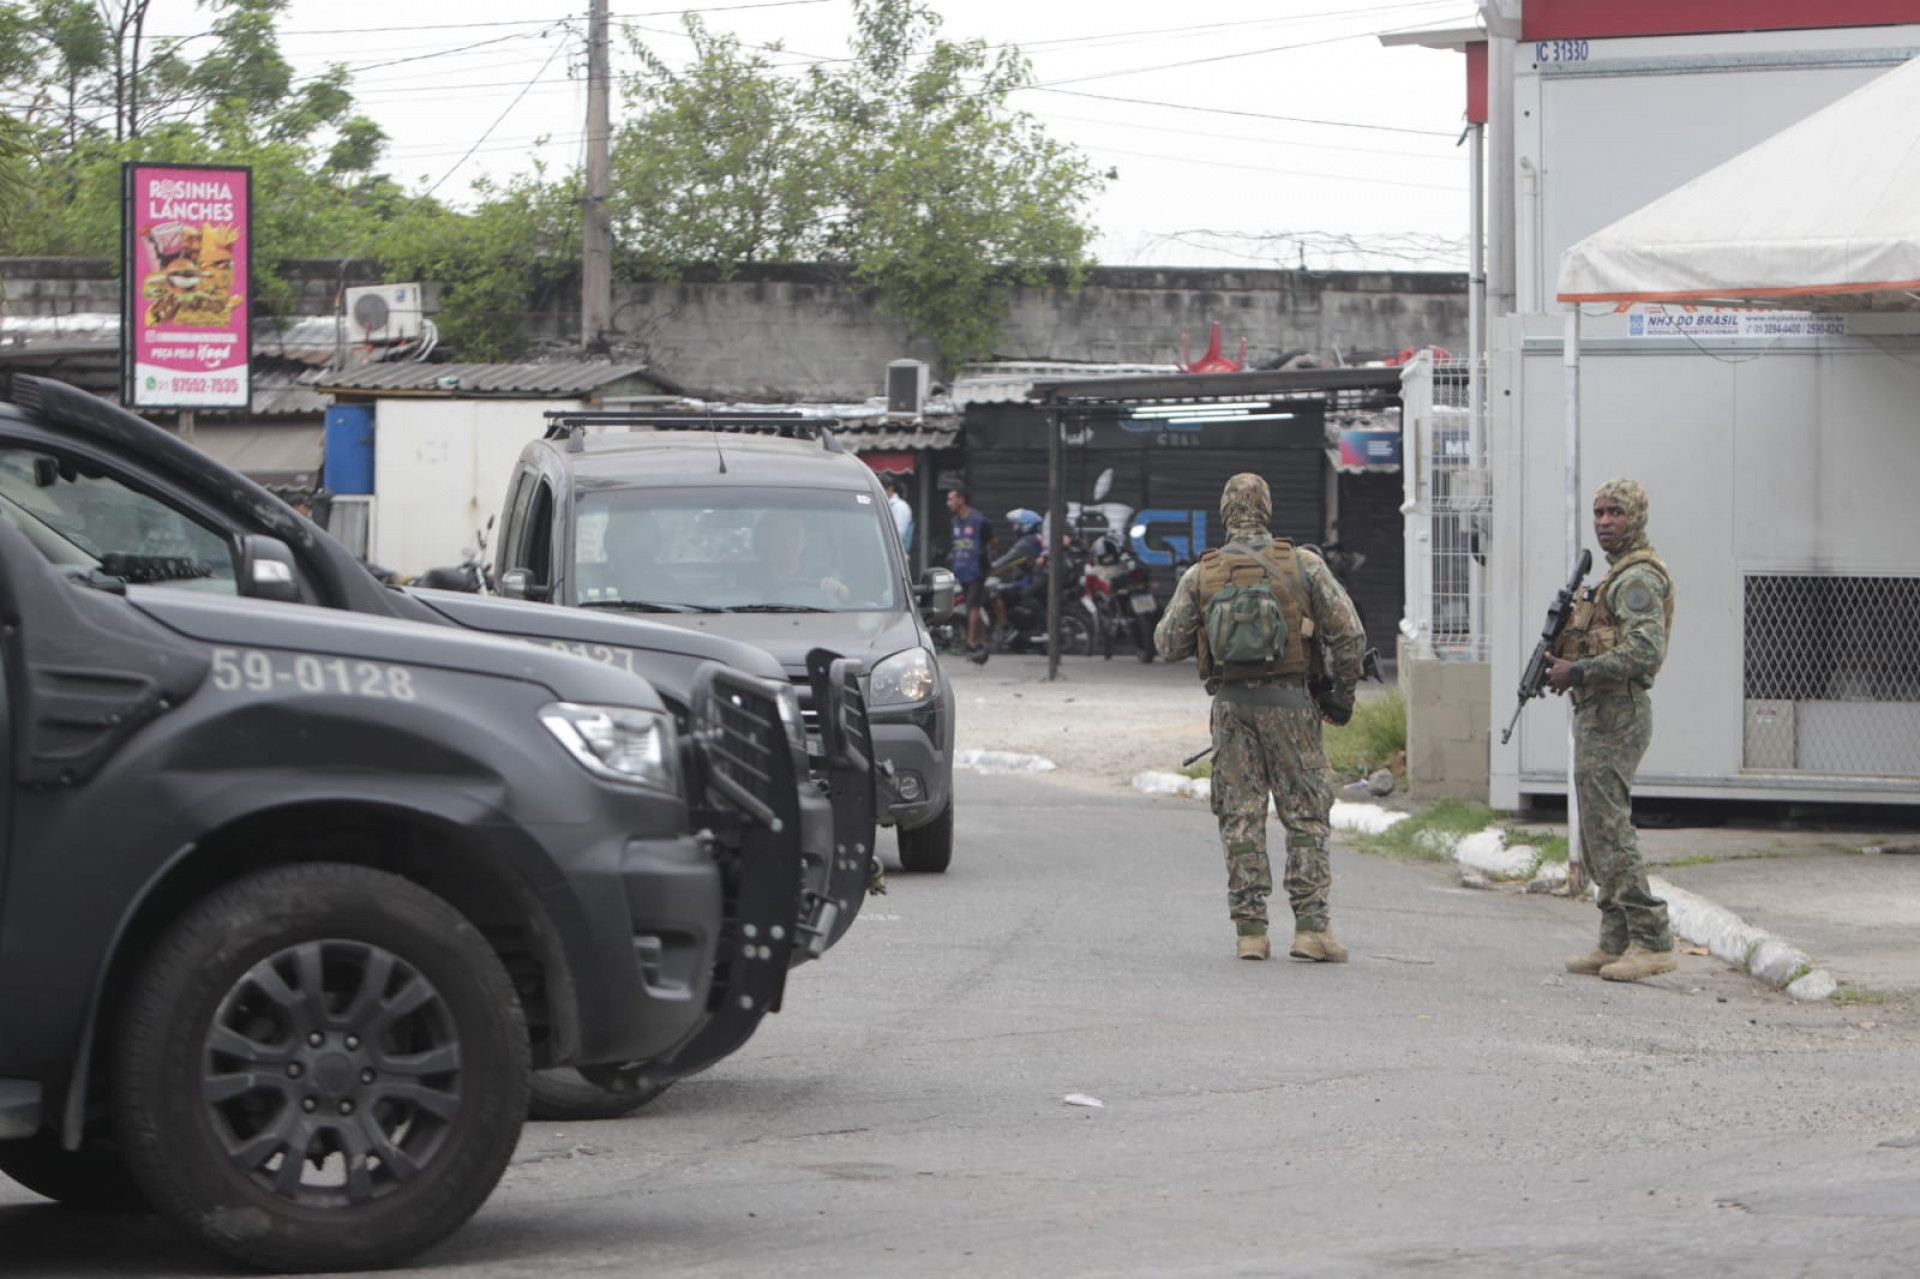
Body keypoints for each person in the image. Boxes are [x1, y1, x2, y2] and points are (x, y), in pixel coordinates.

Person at [1155, 473, 1365, 963]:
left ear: (1225, 512)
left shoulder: (1202, 573)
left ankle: (1250, 931)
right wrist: (1342, 698)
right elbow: (1349, 636)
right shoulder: (1304, 565)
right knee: (1306, 815)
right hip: (1292, 705)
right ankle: (1312, 929)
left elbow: (1167, 645)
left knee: (1241, 815)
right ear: (1266, 510)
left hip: (1231, 709)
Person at [1544, 478, 1677, 983]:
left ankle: (1652, 938)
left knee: (1610, 830)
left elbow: (1645, 652)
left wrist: (1577, 672)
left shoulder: (1638, 579)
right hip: (1597, 710)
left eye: (1614, 513)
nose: (1603, 522)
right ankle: (1615, 938)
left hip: (1618, 713)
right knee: (1596, 832)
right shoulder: (1615, 577)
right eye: (1598, 513)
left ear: (1635, 517)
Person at [752, 509, 852, 606]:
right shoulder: (748, 578)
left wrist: (841, 591)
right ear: (765, 540)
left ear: (805, 542)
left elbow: (852, 599)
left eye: (793, 534)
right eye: (779, 534)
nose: (786, 541)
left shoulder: (823, 575)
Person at [946, 487, 992, 660]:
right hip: (962, 569)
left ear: (961, 499)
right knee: (971, 604)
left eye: (951, 499)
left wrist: (986, 560)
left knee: (973, 606)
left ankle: (970, 642)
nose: (948, 503)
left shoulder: (979, 521)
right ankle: (979, 639)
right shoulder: (955, 522)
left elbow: (991, 542)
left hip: (977, 569)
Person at [987, 508, 1045, 634]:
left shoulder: (1025, 544)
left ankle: (1005, 627)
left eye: (1017, 524)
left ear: (1026, 526)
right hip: (1035, 581)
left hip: (1027, 583)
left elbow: (1006, 561)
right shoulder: (1036, 538)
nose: (1014, 527)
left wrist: (987, 570)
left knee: (994, 594)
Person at [882, 476, 913, 554]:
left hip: (897, 554)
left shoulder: (900, 507)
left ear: (890, 489)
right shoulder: (885, 505)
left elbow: (898, 534)